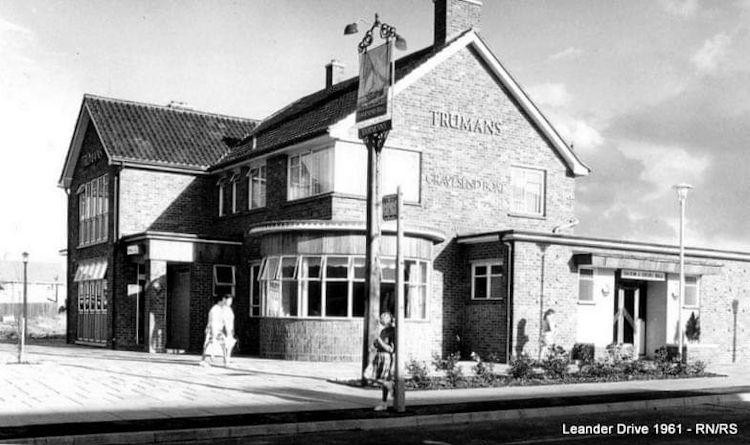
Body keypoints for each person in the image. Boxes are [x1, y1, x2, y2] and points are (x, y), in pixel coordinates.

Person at [200, 294, 236, 367]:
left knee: (225, 344)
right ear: (223, 299)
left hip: (222, 329)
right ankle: (203, 360)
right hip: (214, 329)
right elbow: (213, 321)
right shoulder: (215, 309)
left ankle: (226, 361)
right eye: (228, 301)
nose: (229, 303)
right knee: (209, 344)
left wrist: (230, 330)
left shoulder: (226, 309)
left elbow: (228, 320)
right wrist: (213, 332)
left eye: (230, 302)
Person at [371, 311, 395, 411]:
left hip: (386, 358)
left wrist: (379, 341)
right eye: (381, 316)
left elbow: (391, 349)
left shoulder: (393, 331)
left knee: (384, 379)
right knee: (378, 379)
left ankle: (391, 390)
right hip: (379, 356)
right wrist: (376, 343)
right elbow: (380, 344)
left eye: (384, 316)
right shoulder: (383, 331)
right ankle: (385, 402)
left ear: (389, 318)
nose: (381, 318)